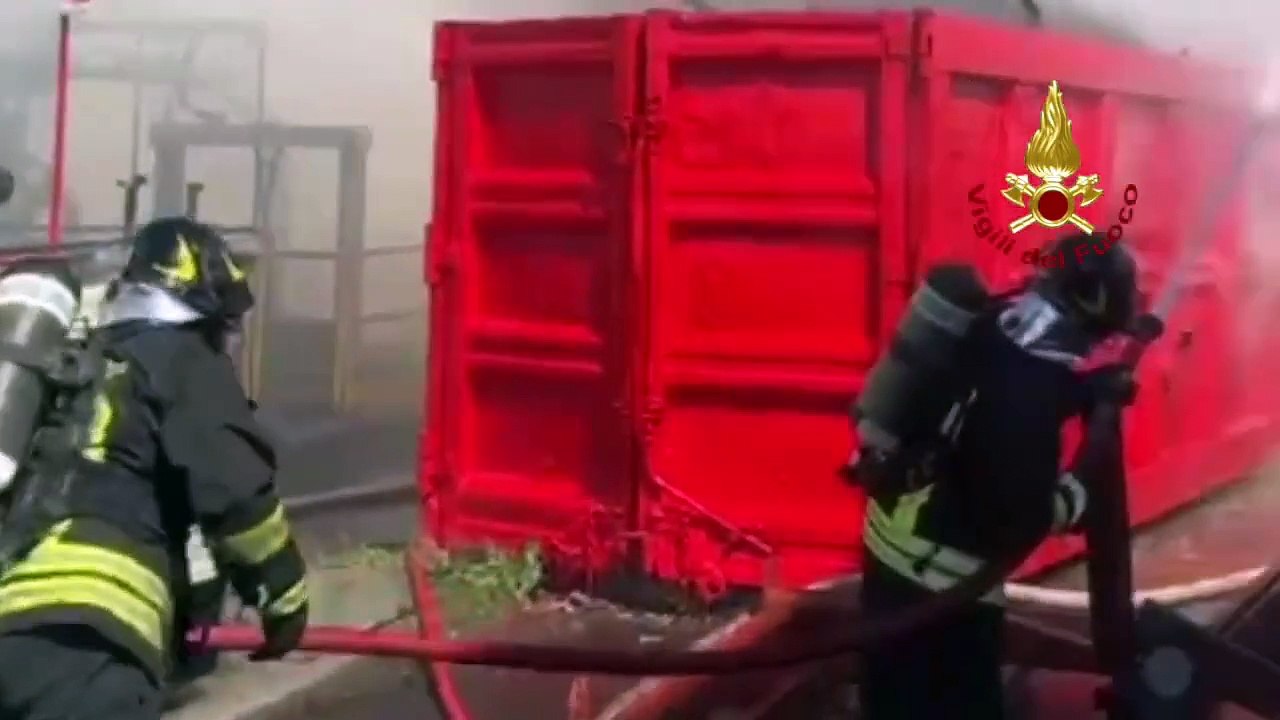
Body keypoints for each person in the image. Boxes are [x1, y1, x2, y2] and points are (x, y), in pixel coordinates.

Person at [0, 216, 309, 720]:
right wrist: (284, 598)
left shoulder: (78, 367)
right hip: (90, 648)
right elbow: (234, 491)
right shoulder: (179, 358)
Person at [855, 233, 1141, 719]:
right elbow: (1018, 520)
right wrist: (1077, 496)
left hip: (891, 544)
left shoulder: (995, 321)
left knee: (890, 696)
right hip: (943, 589)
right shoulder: (1030, 396)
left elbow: (997, 392)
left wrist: (1086, 391)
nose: (1099, 345)